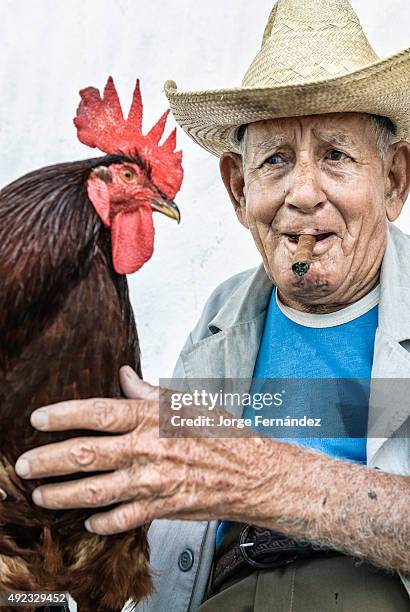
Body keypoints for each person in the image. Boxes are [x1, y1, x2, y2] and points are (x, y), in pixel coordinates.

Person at [14, 0, 410, 610]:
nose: (303, 194)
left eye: (335, 155)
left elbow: (237, 473)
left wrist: (264, 478)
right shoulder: (221, 322)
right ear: (237, 188)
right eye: (275, 160)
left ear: (393, 181)